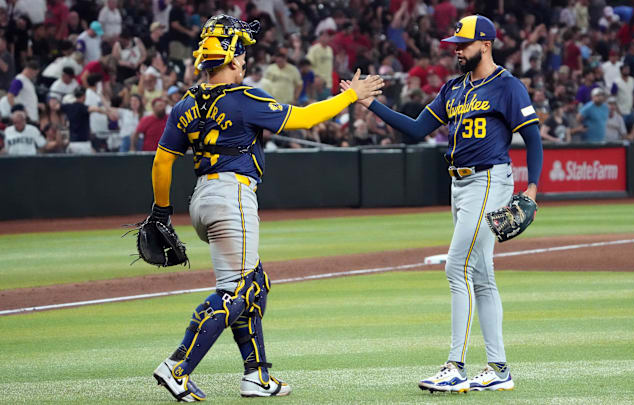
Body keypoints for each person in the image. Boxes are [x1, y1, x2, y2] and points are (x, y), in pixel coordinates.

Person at [149, 15, 382, 401]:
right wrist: (350, 96)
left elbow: (161, 162)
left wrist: (160, 212)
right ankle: (178, 366)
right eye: (242, 53)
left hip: (201, 200)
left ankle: (256, 376)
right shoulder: (245, 99)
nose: (245, 59)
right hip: (232, 196)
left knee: (255, 285)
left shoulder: (184, 104)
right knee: (236, 290)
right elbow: (304, 118)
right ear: (235, 60)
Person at [343, 15, 542, 393]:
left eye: (463, 45)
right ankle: (499, 369)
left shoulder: (507, 86)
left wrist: (532, 188)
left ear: (485, 44)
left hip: (487, 179)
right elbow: (418, 128)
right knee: (482, 276)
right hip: (460, 185)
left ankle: (455, 366)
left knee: (456, 268)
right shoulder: (455, 88)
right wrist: (369, 103)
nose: (456, 51)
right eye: (454, 45)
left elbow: (532, 138)